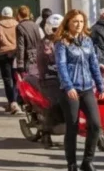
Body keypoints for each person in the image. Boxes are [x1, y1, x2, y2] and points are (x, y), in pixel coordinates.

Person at [54, 9, 104, 171]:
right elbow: (61, 66)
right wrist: (68, 86)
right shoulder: (62, 43)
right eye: (75, 21)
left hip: (87, 88)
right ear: (68, 23)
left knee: (96, 125)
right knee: (73, 126)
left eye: (81, 21)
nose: (79, 25)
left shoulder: (87, 41)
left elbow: (93, 64)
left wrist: (100, 84)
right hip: (71, 90)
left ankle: (87, 161)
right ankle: (71, 163)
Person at [35, 14, 64, 147]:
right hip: (49, 78)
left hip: (65, 77)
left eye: (60, 28)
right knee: (55, 103)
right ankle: (46, 132)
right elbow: (49, 61)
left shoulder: (66, 40)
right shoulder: (46, 43)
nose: (57, 32)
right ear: (48, 29)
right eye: (54, 29)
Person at [0, 6, 19, 114]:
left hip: (3, 54)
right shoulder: (17, 24)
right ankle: (15, 101)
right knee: (16, 78)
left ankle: (12, 101)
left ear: (2, 15)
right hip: (16, 54)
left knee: (7, 79)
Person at [15, 5, 41, 75]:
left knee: (28, 81)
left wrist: (20, 64)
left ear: (19, 15)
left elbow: (21, 46)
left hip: (28, 58)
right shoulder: (35, 25)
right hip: (38, 55)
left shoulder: (20, 27)